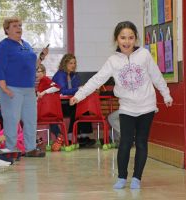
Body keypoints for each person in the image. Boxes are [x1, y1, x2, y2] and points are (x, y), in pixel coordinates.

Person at [70, 21, 173, 189]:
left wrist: (166, 94)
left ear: (136, 39)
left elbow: (156, 76)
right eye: (123, 38)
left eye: (131, 38)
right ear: (116, 39)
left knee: (141, 142)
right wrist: (79, 95)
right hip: (127, 108)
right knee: (125, 142)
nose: (127, 41)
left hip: (147, 106)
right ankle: (122, 177)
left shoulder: (144, 55)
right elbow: (97, 79)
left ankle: (137, 178)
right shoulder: (113, 61)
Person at [0, 16, 47, 157]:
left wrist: (41, 58)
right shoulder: (4, 46)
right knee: (12, 120)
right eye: (15, 26)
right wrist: (4, 88)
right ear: (7, 29)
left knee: (30, 120)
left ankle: (30, 149)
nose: (19, 28)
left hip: (29, 89)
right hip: (11, 88)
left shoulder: (26, 45)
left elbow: (32, 66)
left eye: (20, 26)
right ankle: (11, 149)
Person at [52, 54, 95, 146]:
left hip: (69, 103)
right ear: (65, 63)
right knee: (75, 109)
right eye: (70, 63)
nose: (73, 65)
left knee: (82, 108)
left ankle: (83, 137)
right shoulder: (60, 74)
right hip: (59, 105)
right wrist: (79, 88)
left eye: (74, 63)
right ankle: (71, 137)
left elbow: (75, 90)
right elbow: (63, 91)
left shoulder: (74, 75)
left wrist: (80, 88)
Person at [36, 64, 63, 151]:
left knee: (28, 120)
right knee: (52, 120)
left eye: (38, 71)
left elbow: (57, 87)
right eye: (35, 72)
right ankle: (59, 136)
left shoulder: (45, 79)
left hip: (44, 111)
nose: (36, 74)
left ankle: (38, 140)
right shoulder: (41, 81)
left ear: (44, 72)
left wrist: (44, 92)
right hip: (46, 111)